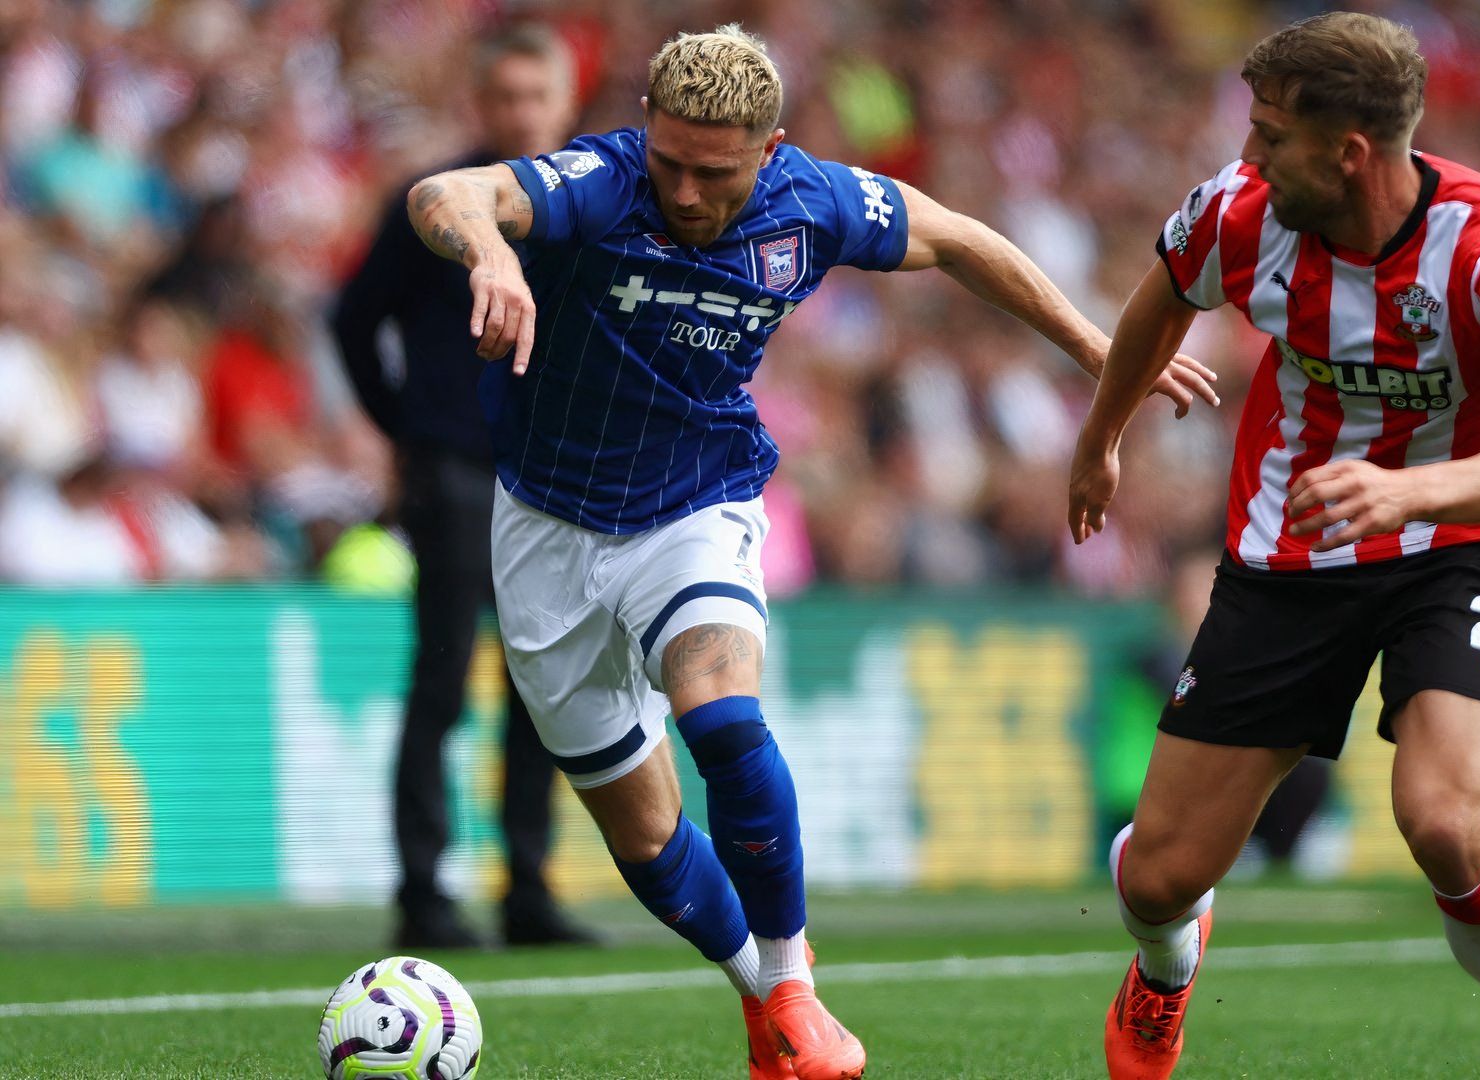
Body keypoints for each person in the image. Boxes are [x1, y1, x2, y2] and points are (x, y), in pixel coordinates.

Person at [403, 24, 1216, 1080]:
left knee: (724, 719)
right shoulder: (600, 181)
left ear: (770, 147)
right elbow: (449, 194)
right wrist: (495, 249)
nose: (687, 193)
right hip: (544, 526)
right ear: (645, 130)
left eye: (716, 171)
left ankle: (792, 981)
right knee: (646, 841)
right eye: (672, 162)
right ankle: (760, 995)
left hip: (697, 504)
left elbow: (962, 238)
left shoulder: (816, 202)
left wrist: (1103, 350)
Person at [1067, 13, 1480, 1080]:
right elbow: (1158, 303)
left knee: (1449, 822)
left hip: (1459, 539)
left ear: (1348, 151)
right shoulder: (1241, 213)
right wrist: (1100, 441)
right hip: (1294, 552)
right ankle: (1167, 974)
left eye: (1270, 135)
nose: (1250, 155)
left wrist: (1410, 491)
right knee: (1157, 880)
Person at [331, 25, 597, 949]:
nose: (522, 113)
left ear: (565, 103)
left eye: (538, 96)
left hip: (554, 477)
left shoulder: (591, 208)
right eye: (507, 96)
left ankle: (527, 886)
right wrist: (405, 426)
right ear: (480, 104)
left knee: (543, 687)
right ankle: (423, 892)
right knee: (442, 680)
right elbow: (353, 318)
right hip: (455, 468)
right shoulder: (435, 210)